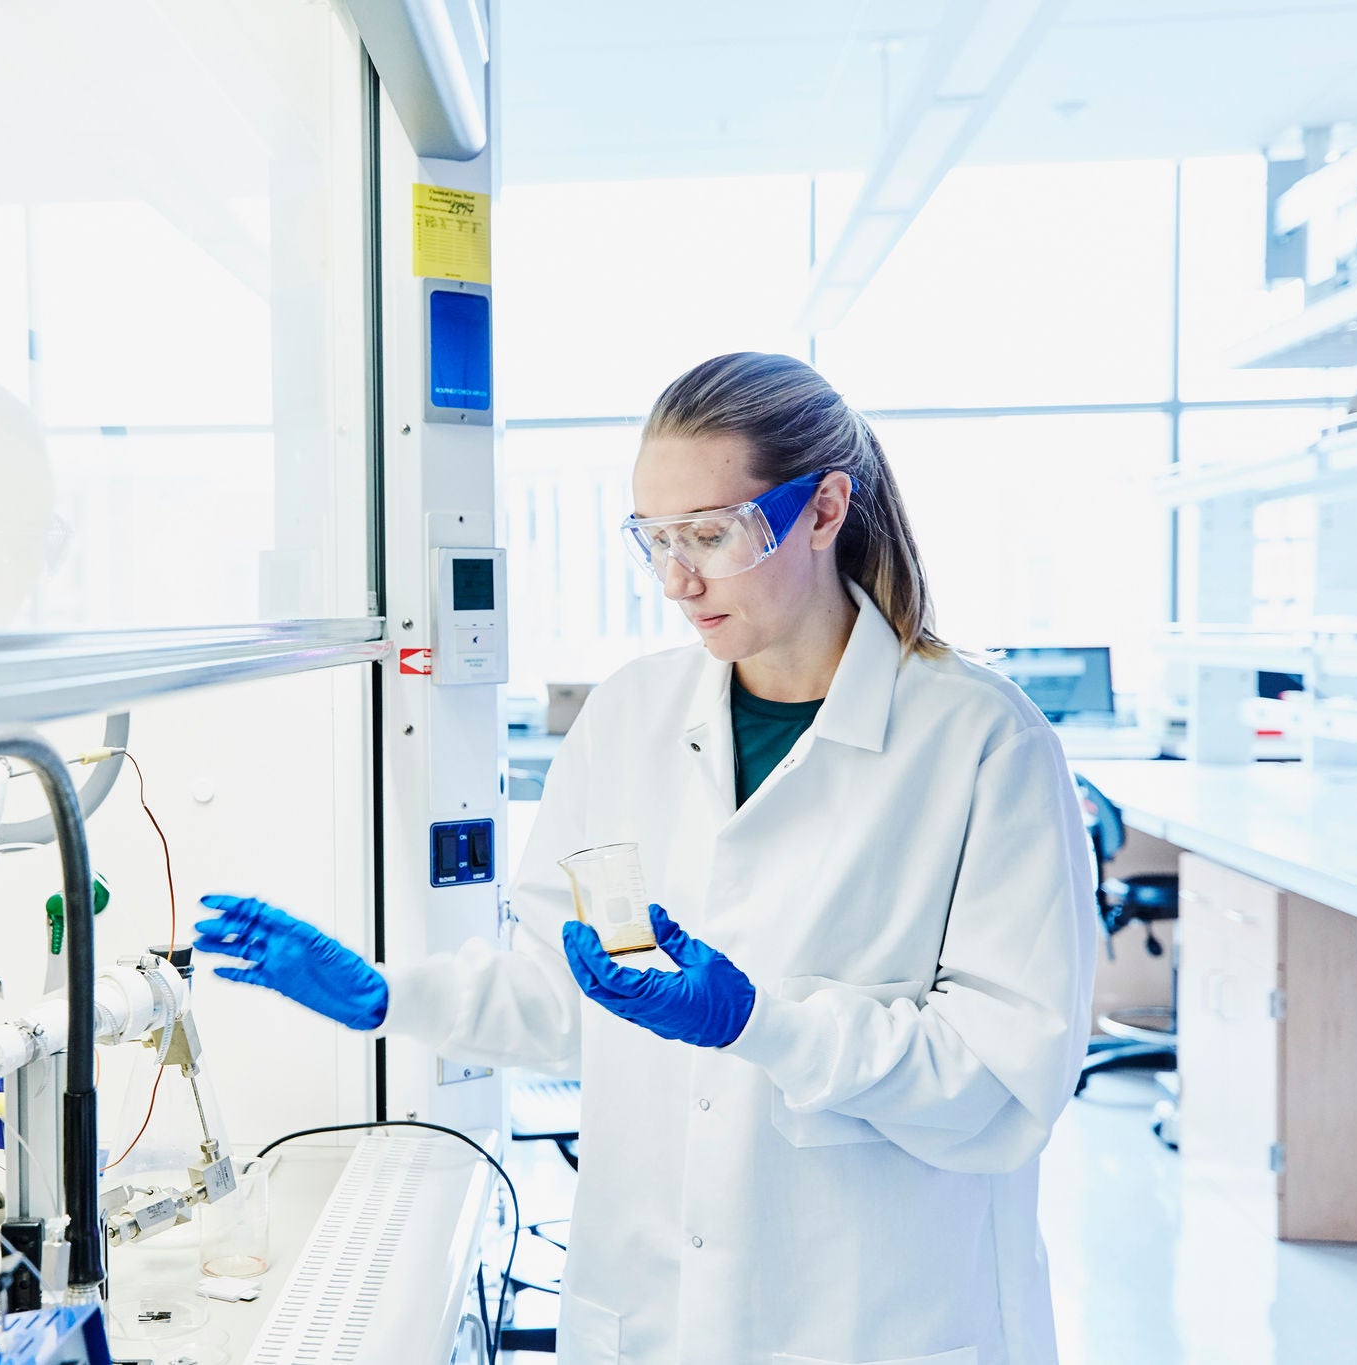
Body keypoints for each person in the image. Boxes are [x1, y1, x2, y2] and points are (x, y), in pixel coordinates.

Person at [195, 352, 1097, 1365]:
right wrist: (385, 998)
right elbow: (559, 996)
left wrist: (761, 1023)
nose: (676, 579)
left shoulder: (980, 741)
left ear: (824, 506)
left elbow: (1001, 1082)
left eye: (710, 535)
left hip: (875, 1318)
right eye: (654, 539)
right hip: (652, 1313)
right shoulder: (629, 717)